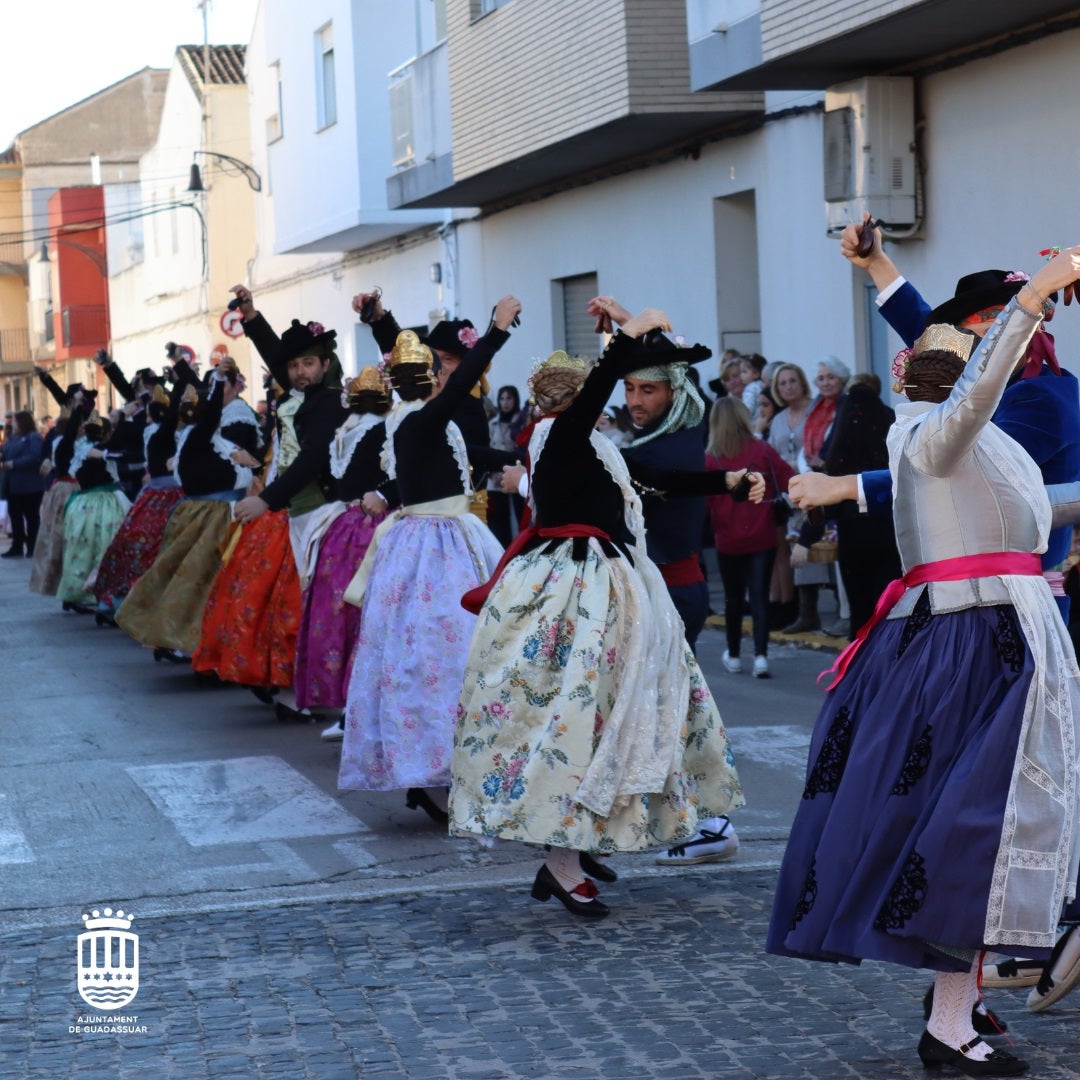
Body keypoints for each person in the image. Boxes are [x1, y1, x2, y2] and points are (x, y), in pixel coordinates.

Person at [768, 247, 1080, 1077]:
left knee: (984, 832)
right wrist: (1032, 302)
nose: (963, 372)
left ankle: (958, 1007)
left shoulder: (981, 445)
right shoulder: (932, 437)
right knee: (971, 836)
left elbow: (1041, 508)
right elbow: (972, 401)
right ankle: (949, 1025)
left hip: (999, 637)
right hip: (971, 646)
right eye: (951, 361)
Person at [450, 308, 754, 917]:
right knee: (574, 720)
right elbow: (605, 403)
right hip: (576, 593)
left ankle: (575, 848)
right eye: (574, 391)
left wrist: (729, 483)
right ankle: (560, 863)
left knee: (600, 716)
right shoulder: (559, 436)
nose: (584, 398)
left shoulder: (591, 445)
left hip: (603, 591)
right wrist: (628, 335)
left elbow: (655, 475)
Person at [337, 300, 518, 822]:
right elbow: (456, 388)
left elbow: (465, 460)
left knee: (448, 656)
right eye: (439, 373)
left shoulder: (420, 423)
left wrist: (521, 461)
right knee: (438, 658)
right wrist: (496, 330)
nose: (445, 379)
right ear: (433, 380)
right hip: (433, 549)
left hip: (450, 537)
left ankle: (453, 768)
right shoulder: (417, 420)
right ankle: (433, 770)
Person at [294, 367, 397, 738]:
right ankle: (361, 705)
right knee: (369, 615)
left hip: (344, 526)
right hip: (372, 524)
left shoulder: (348, 427)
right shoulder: (380, 428)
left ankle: (352, 704)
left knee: (341, 614)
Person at [790, 373, 900, 640]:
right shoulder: (889, 420)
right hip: (890, 531)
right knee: (889, 607)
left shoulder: (845, 425)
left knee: (860, 609)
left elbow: (828, 492)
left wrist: (807, 538)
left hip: (853, 532)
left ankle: (860, 670)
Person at [707, 396, 795, 679]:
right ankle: (760, 657)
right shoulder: (762, 450)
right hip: (762, 533)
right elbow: (788, 478)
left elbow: (704, 501)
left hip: (727, 537)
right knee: (759, 596)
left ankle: (733, 654)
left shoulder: (710, 459)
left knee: (733, 599)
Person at [766, 363, 814, 630]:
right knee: (793, 544)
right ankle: (800, 610)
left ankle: (814, 610)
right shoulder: (778, 419)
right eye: (782, 383)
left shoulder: (815, 410)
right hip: (788, 491)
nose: (788, 387)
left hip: (813, 482)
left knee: (814, 542)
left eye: (792, 381)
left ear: (802, 382)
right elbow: (772, 454)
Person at [0, 411, 45, 558]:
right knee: (15, 516)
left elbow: (35, 456)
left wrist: (15, 464)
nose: (12, 424)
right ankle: (17, 546)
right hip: (13, 485)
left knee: (32, 518)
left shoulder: (34, 437)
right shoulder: (13, 438)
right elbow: (5, 453)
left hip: (30, 485)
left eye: (14, 421)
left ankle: (32, 547)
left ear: (22, 422)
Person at [485, 384, 526, 546]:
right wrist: (493, 473)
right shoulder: (492, 423)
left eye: (509, 398)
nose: (505, 402)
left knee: (519, 514)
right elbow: (487, 449)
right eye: (502, 398)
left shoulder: (521, 423)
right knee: (499, 519)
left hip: (516, 473)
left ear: (515, 400)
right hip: (495, 478)